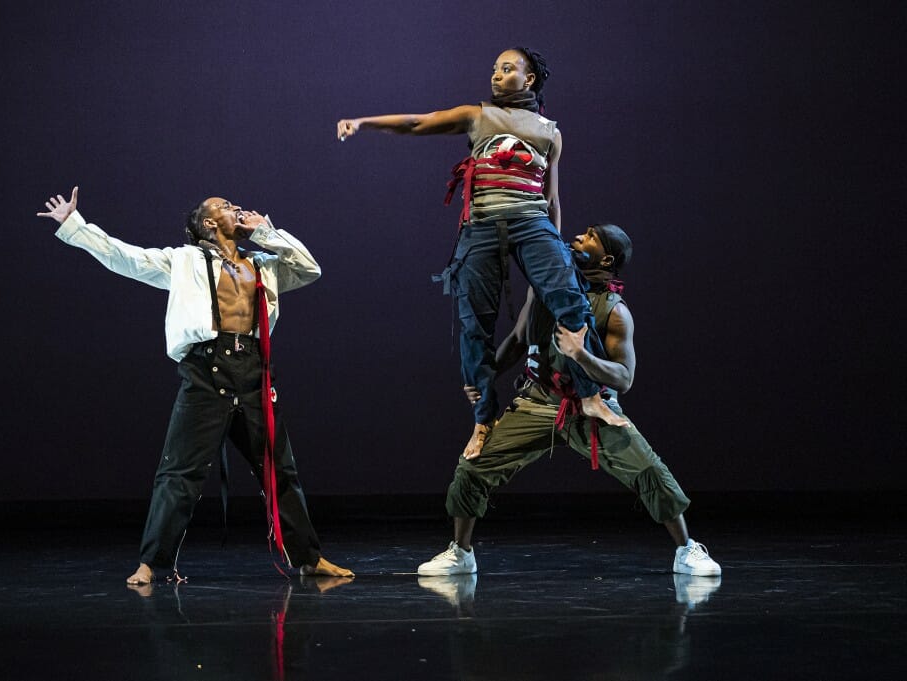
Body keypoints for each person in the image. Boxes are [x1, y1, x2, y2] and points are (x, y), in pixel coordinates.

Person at [37, 186, 353, 584]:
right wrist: (74, 226)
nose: (236, 207)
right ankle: (152, 563)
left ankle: (309, 557)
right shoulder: (184, 261)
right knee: (179, 473)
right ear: (208, 223)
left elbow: (310, 268)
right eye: (225, 206)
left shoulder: (263, 264)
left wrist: (266, 231)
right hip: (206, 370)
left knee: (280, 470)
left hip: (254, 369)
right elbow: (124, 257)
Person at [336, 47, 628, 459]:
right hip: (482, 229)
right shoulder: (478, 115)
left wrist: (555, 257)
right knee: (474, 324)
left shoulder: (549, 131)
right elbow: (420, 122)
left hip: (532, 224)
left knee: (569, 300)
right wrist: (363, 122)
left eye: (507, 69)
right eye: (494, 69)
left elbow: (552, 199)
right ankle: (482, 418)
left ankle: (588, 396)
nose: (496, 75)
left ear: (528, 80)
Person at [416, 223, 721, 577]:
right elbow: (517, 340)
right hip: (537, 401)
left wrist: (582, 356)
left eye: (590, 235)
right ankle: (460, 553)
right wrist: (485, 378)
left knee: (649, 471)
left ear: (606, 258)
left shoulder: (615, 311)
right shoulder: (547, 289)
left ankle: (687, 550)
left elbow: (624, 378)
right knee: (473, 466)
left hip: (592, 408)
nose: (578, 237)